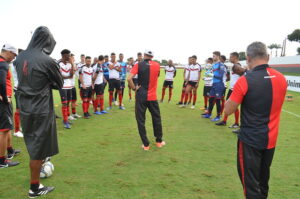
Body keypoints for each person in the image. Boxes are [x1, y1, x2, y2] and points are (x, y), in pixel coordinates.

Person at [225, 42, 287, 199]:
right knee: (262, 183)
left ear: (248, 58)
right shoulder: (281, 78)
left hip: (250, 141)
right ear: (268, 57)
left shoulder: (245, 80)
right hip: (271, 140)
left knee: (251, 187)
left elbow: (228, 110)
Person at [14, 26, 63, 197]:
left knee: (35, 145)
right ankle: (34, 188)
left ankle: (40, 171)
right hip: (41, 108)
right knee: (37, 150)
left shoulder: (19, 58)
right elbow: (59, 84)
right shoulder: (47, 60)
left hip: (25, 108)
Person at [127, 50, 165, 151]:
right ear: (152, 56)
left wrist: (135, 88)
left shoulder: (138, 64)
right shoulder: (157, 65)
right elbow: (157, 76)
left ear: (144, 55)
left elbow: (129, 79)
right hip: (152, 97)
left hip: (141, 96)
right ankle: (159, 141)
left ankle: (146, 144)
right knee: (156, 118)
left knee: (141, 120)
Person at [0, 44, 20, 168]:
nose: (14, 57)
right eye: (14, 54)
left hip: (5, 100)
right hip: (3, 102)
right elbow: (1, 82)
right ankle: (2, 161)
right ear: (8, 52)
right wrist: (4, 96)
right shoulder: (2, 64)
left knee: (8, 127)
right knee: (4, 130)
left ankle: (10, 150)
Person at [216, 52, 242, 128]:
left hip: (235, 90)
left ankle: (236, 123)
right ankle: (224, 121)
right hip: (231, 89)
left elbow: (243, 77)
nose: (230, 58)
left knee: (233, 106)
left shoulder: (238, 66)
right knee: (228, 105)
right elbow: (232, 78)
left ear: (235, 57)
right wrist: (224, 80)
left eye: (231, 57)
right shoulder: (234, 66)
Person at [202, 51, 226, 121]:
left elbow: (220, 76)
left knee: (218, 101)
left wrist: (212, 75)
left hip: (219, 84)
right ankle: (209, 114)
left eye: (214, 56)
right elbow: (211, 75)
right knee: (211, 99)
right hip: (213, 84)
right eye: (213, 56)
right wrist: (207, 76)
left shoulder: (221, 65)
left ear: (218, 56)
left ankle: (218, 116)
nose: (213, 57)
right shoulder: (213, 65)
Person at [58, 49, 74, 129]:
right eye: (69, 55)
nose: (70, 56)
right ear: (64, 55)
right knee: (64, 103)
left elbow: (72, 74)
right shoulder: (58, 63)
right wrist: (68, 77)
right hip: (62, 86)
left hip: (69, 85)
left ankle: (66, 119)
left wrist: (71, 63)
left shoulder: (69, 64)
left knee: (68, 103)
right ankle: (65, 121)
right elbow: (60, 76)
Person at [11, 48, 24, 138]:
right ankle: (16, 130)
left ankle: (21, 127)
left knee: (24, 109)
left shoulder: (20, 63)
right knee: (19, 110)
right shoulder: (16, 64)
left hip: (24, 89)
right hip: (18, 89)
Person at [70, 53, 81, 119]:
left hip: (73, 85)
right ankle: (68, 115)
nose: (74, 59)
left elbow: (76, 74)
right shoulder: (68, 65)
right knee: (68, 101)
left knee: (74, 100)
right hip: (68, 86)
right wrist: (73, 66)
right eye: (73, 58)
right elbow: (72, 72)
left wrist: (80, 79)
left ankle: (74, 113)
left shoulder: (73, 65)